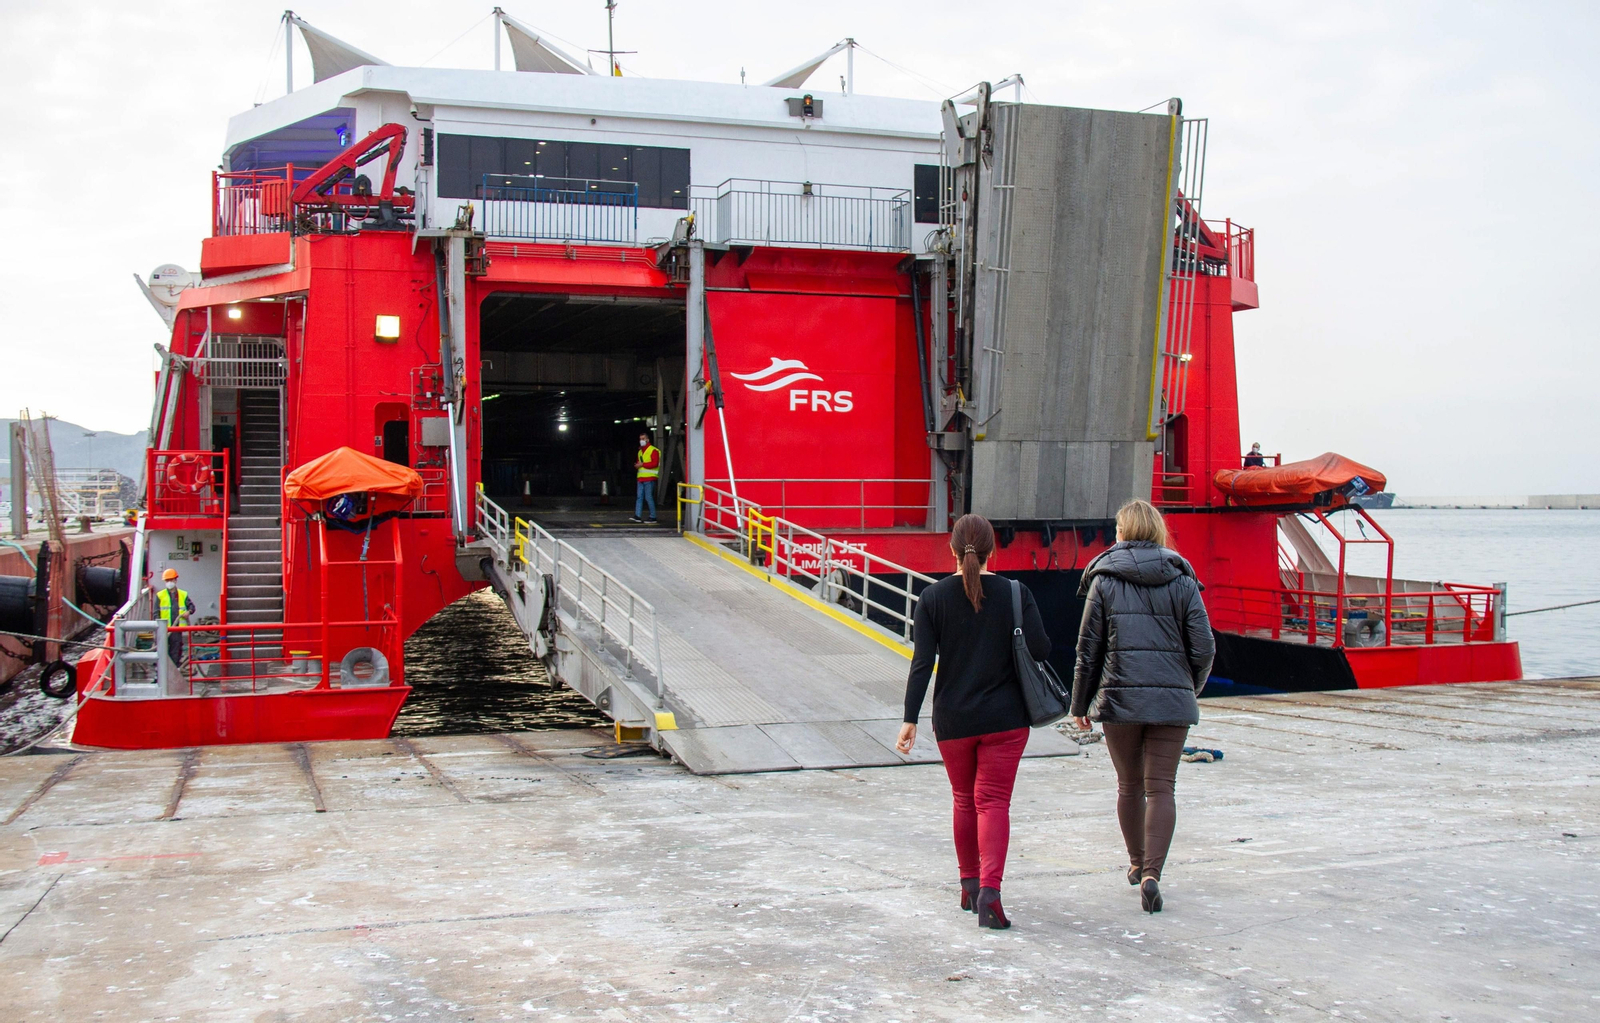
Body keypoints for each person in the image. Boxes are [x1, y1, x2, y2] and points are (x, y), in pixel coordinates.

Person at [899, 514, 1051, 929]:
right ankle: (990, 892)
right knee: (993, 802)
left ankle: (968, 885)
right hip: (1005, 719)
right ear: (992, 551)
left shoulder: (932, 599)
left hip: (953, 720)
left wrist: (909, 719)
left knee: (964, 800)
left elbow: (921, 664)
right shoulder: (1016, 593)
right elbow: (1041, 649)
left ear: (952, 551)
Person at [1070, 499, 1214, 914]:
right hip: (1172, 700)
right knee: (1162, 787)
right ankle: (1152, 874)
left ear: (1122, 532)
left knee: (1129, 786)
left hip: (1119, 701)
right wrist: (1190, 686)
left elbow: (1087, 650)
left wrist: (1080, 703)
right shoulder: (1184, 580)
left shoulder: (1104, 580)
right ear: (1157, 531)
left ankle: (1135, 863)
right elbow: (1204, 647)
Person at [156, 568, 196, 668]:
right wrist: (158, 627)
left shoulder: (183, 594)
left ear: (175, 580)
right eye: (167, 580)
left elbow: (192, 607)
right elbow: (156, 613)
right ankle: (161, 673)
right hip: (164, 629)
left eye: (171, 580)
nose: (169, 582)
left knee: (176, 650)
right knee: (162, 651)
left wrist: (188, 612)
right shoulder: (160, 595)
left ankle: (175, 670)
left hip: (177, 629)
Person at [631, 431, 660, 523]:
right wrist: (637, 465)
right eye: (640, 439)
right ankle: (637, 516)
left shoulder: (654, 450)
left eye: (643, 439)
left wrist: (642, 464)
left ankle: (653, 516)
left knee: (648, 497)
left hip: (649, 478)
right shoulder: (640, 452)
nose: (641, 441)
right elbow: (639, 463)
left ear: (647, 439)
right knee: (639, 497)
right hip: (641, 478)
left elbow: (654, 464)